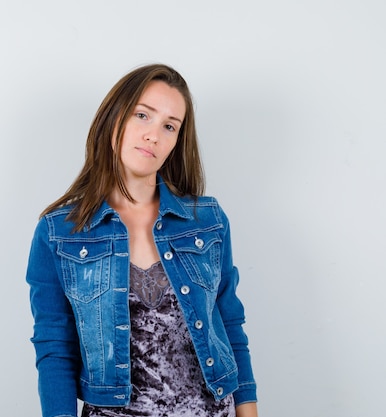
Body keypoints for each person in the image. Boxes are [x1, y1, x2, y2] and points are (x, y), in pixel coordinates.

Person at [25, 63, 258, 417]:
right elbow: (55, 348)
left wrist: (248, 409)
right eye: (142, 115)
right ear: (114, 119)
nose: (153, 135)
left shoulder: (207, 222)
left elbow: (229, 323)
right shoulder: (59, 233)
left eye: (169, 126)